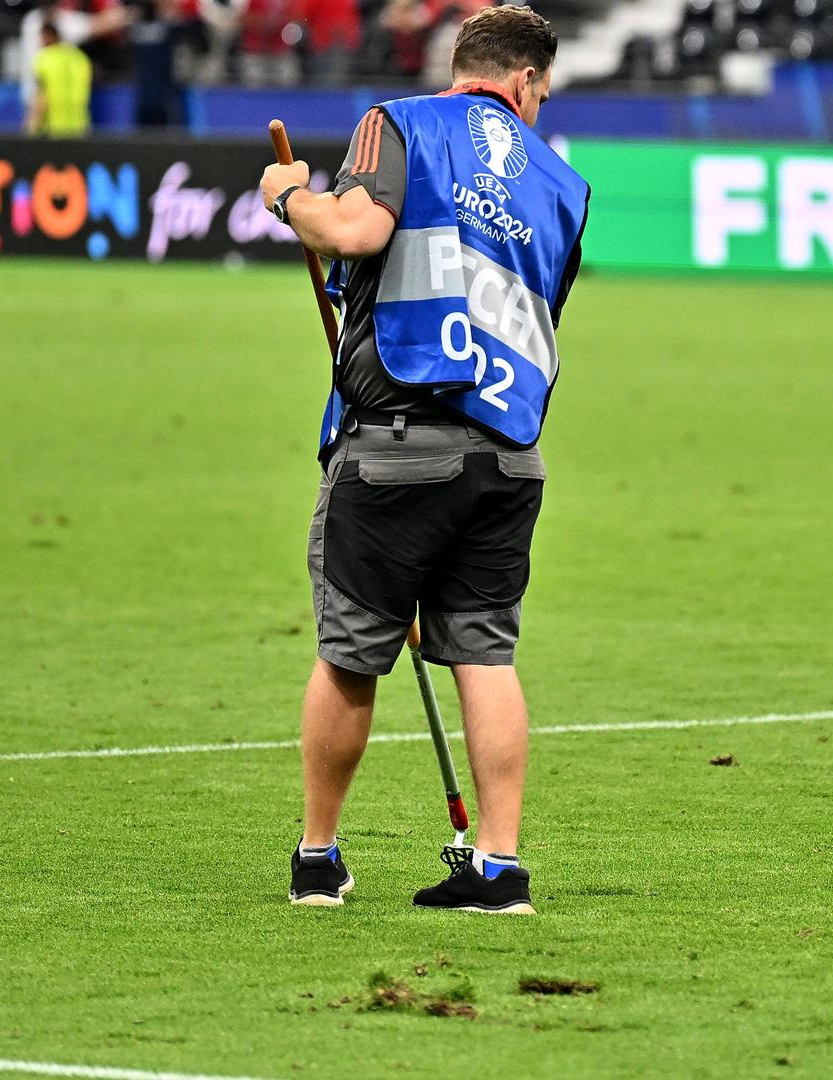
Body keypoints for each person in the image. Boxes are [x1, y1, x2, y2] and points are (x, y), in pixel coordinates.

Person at [258, 4, 590, 913]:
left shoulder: (400, 121)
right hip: (508, 454)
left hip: (396, 447)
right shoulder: (563, 181)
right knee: (485, 654)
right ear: (523, 81)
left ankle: (319, 858)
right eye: (542, 93)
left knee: (349, 654)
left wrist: (288, 196)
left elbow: (355, 234)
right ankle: (498, 867)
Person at [28, 19, 92, 136]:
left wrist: (32, 127)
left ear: (48, 36)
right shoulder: (81, 58)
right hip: (80, 127)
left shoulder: (44, 58)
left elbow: (41, 97)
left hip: (54, 128)